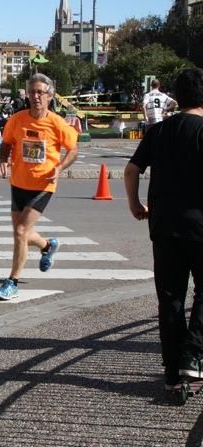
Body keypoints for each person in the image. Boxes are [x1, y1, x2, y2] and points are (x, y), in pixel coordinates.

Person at [124, 67, 203, 392]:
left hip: (163, 224)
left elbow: (131, 170)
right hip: (200, 225)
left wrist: (135, 205)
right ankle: (194, 356)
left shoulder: (159, 131)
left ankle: (173, 372)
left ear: (176, 97)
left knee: (170, 298)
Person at [0, 73, 79, 300]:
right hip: (18, 183)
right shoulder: (17, 119)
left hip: (44, 184)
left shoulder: (56, 122)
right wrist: (2, 161)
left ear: (49, 96)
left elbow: (73, 149)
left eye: (40, 92)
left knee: (21, 231)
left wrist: (59, 168)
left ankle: (12, 282)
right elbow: (7, 143)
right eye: (32, 92)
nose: (35, 96)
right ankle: (47, 246)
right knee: (21, 234)